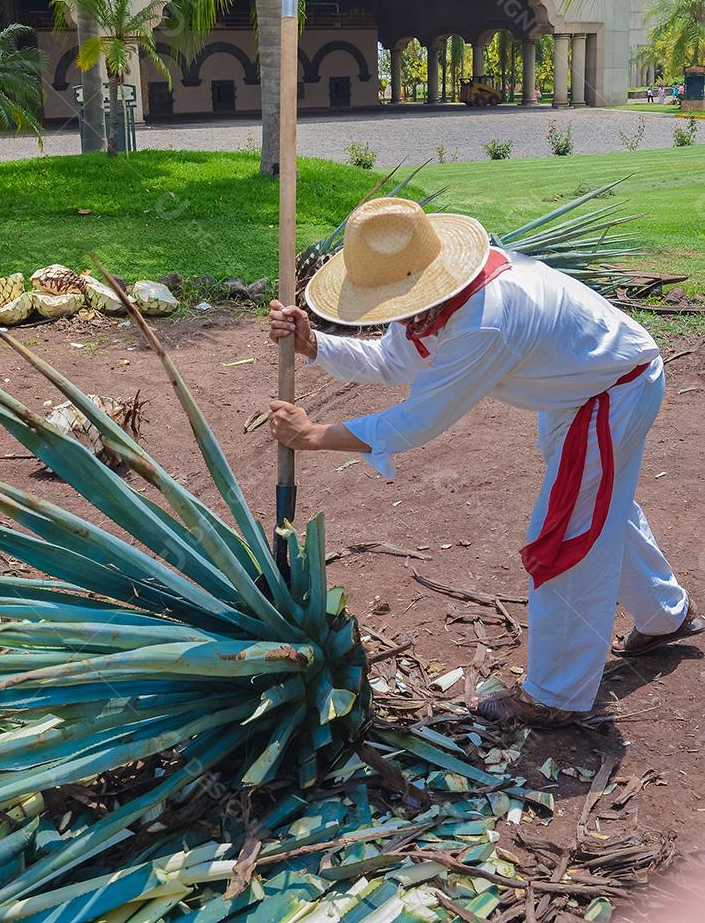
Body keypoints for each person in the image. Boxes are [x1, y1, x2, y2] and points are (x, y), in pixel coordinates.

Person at [268, 197, 703, 727]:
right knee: (596, 508)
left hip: (611, 391)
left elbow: (417, 421)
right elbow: (391, 359)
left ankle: (555, 696)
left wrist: (313, 435)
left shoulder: (482, 321)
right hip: (579, 389)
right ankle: (664, 616)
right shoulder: (433, 297)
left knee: (566, 533)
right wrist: (317, 345)